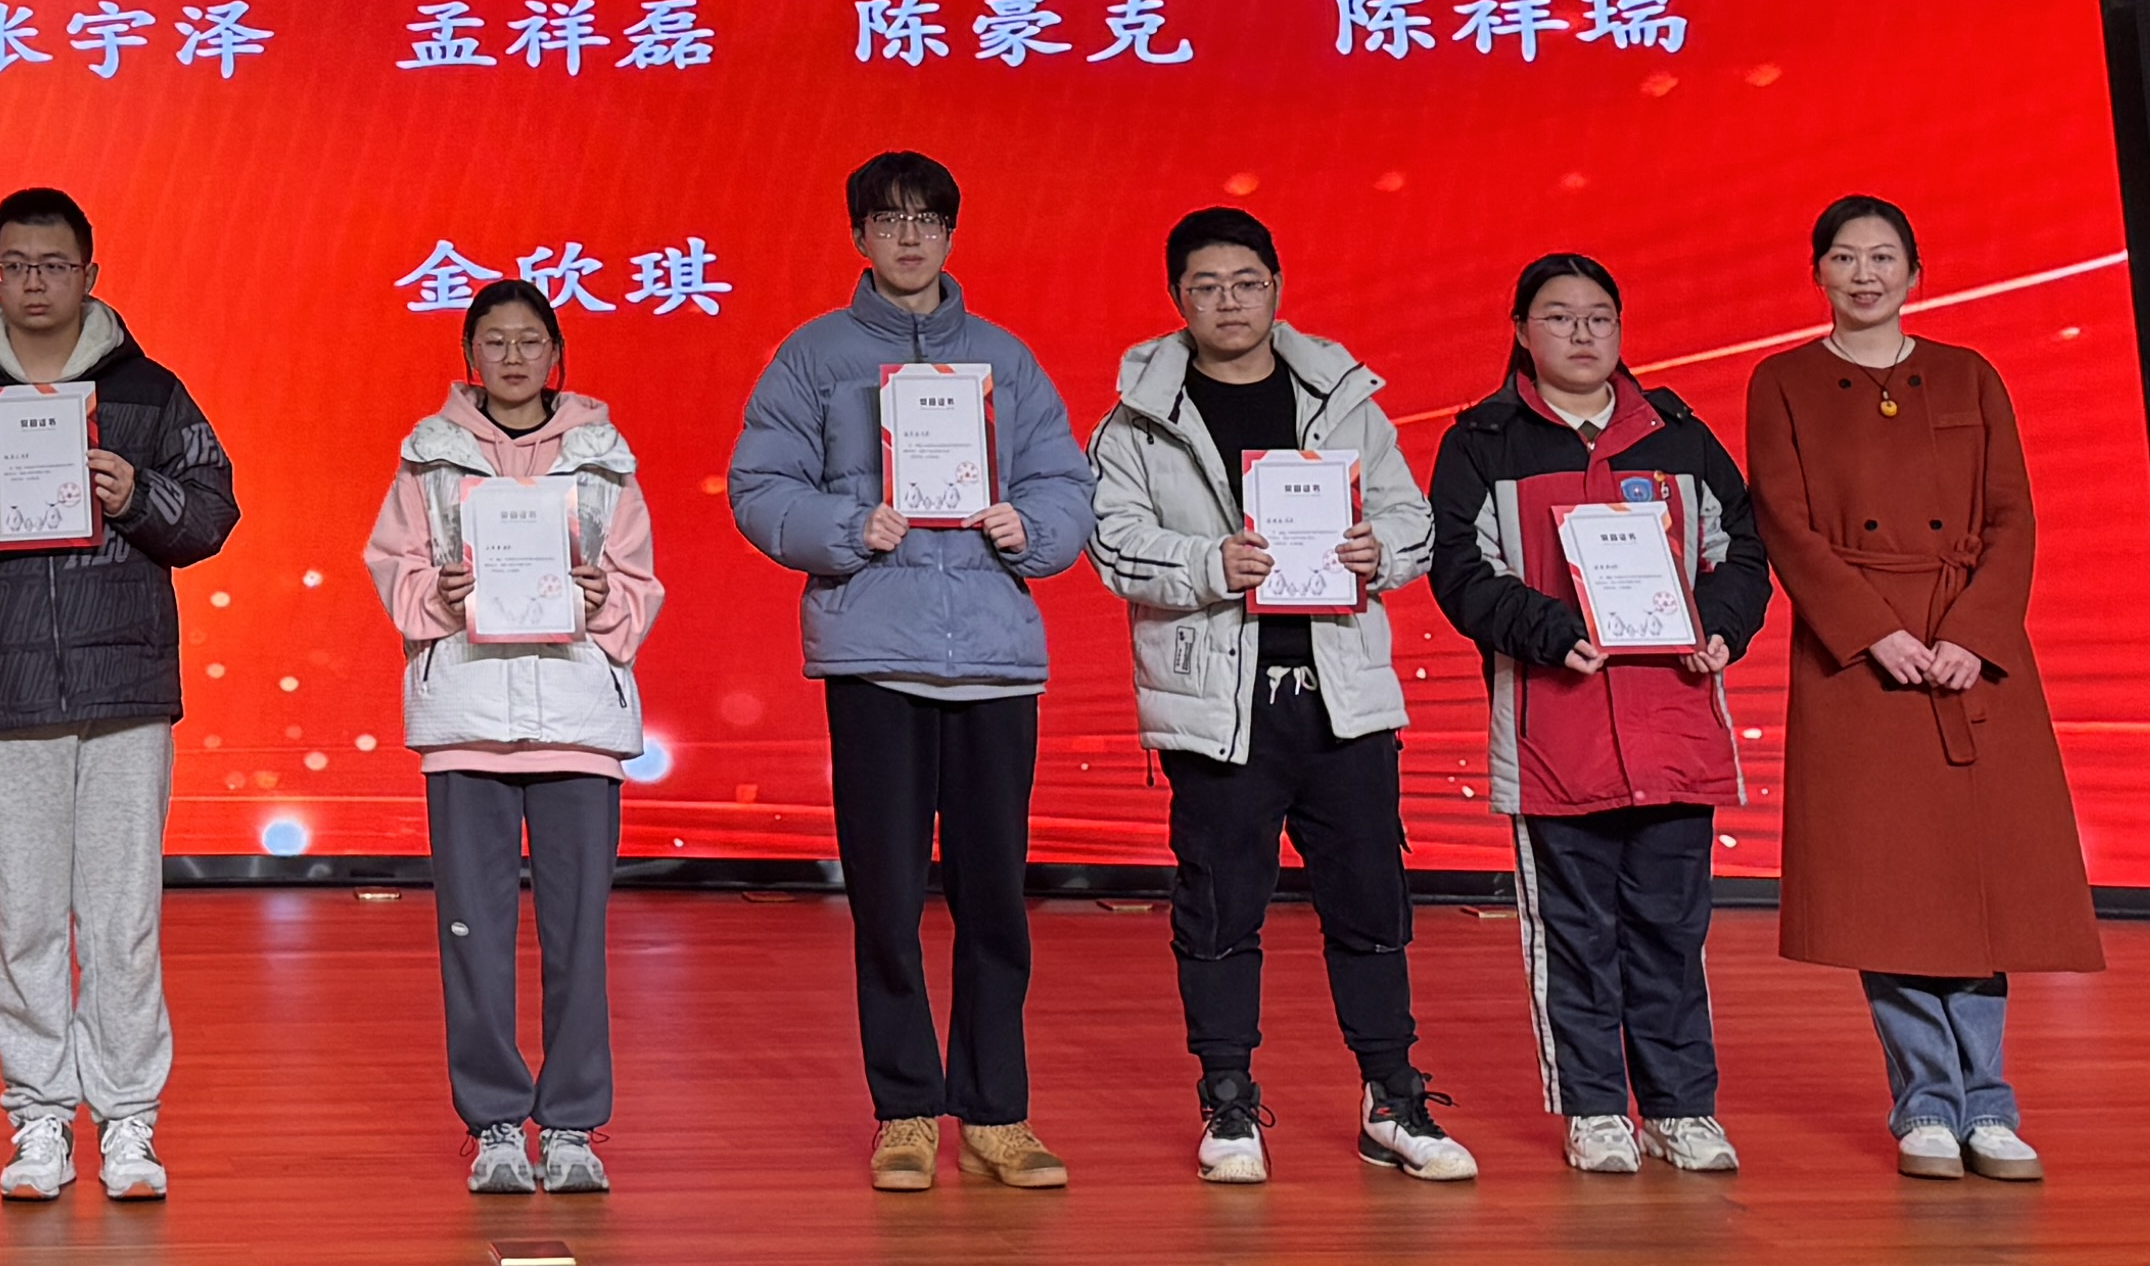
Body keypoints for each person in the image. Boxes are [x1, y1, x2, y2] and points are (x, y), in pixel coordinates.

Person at [725, 148, 1094, 1192]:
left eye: (926, 219)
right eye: (888, 220)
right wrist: (848, 528)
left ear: (950, 233)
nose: (909, 237)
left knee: (996, 904)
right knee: (886, 902)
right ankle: (904, 1110)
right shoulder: (814, 357)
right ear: (858, 236)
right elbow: (759, 486)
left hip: (994, 663)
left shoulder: (1005, 359)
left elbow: (1065, 482)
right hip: (876, 658)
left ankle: (998, 1112)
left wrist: (1033, 528)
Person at [0, 186, 242, 1204]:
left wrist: (141, 494)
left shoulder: (151, 393)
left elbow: (213, 511)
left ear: (90, 274)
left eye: (54, 265)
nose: (35, 283)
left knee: (123, 922)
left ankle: (128, 1119)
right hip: (3, 692)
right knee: (23, 921)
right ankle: (39, 1115)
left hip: (125, 691)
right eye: (15, 266)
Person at [1083, 207, 1471, 1187]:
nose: (1229, 302)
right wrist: (1209, 562)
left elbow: (1413, 519)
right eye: (1207, 286)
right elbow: (1114, 542)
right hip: (1219, 702)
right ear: (1177, 299)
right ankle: (1227, 1101)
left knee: (1371, 901)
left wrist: (1382, 550)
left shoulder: (1343, 397)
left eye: (1247, 282)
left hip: (1342, 696)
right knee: (1220, 908)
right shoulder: (1139, 417)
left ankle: (1391, 1098)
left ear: (1277, 289)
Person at [1745, 194, 2102, 1182]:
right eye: (1844, 257)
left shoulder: (1969, 373)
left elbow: (2013, 516)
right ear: (1817, 272)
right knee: (1890, 891)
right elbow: (1784, 522)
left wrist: (1973, 636)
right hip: (1860, 665)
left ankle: (1989, 1105)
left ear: (1915, 271)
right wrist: (1875, 633)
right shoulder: (1782, 381)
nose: (1864, 274)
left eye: (1882, 257)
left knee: (1983, 895)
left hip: (1971, 660)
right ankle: (1926, 1107)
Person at [1428, 252, 1773, 1176]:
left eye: (1598, 318)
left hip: (1674, 726)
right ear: (1520, 331)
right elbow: (1460, 573)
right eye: (1558, 316)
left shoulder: (1678, 434)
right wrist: (1551, 632)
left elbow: (1741, 551)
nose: (1581, 334)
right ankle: (1593, 1108)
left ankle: (1680, 1108)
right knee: (1575, 936)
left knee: (1672, 933)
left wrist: (1719, 628)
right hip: (1555, 732)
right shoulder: (1483, 443)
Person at [362, 275, 665, 1195]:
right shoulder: (429, 457)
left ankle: (571, 1125)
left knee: (577, 937)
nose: (513, 357)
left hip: (577, 722)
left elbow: (639, 582)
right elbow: (393, 566)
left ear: (556, 355)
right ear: (469, 357)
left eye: (530, 341)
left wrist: (602, 599)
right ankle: (495, 1121)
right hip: (466, 721)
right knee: (474, 937)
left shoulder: (604, 458)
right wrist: (438, 596)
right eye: (494, 342)